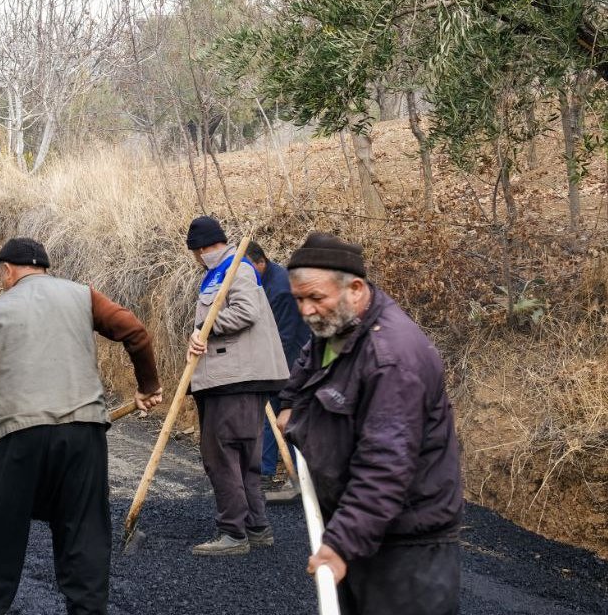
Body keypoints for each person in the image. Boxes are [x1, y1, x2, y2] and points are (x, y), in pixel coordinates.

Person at [0, 237, 163, 615]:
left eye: (0, 276)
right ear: (43, 267)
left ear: (7, 271)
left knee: (3, 533)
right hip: (81, 432)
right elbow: (135, 332)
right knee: (83, 528)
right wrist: (148, 385)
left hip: (15, 436)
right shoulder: (82, 295)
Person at [278, 232, 463, 615]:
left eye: (316, 298)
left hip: (404, 546)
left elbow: (385, 465)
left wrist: (340, 543)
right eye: (298, 299)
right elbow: (308, 365)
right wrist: (291, 404)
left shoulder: (391, 358)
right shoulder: (338, 327)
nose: (306, 311)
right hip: (361, 524)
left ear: (356, 289)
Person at [184, 217, 289, 556]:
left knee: (222, 454)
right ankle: (256, 527)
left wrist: (206, 327)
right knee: (243, 454)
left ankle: (233, 533)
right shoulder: (222, 271)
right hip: (232, 377)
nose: (196, 259)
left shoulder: (236, 269)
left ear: (201, 248)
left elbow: (246, 311)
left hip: (235, 378)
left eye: (195, 253)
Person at [247, 241, 312, 498]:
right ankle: (265, 472)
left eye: (249, 268)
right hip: (275, 360)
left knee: (290, 420)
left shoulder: (281, 288)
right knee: (269, 417)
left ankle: (301, 479)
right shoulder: (261, 281)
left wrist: (267, 367)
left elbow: (284, 336)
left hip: (291, 361)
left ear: (261, 262)